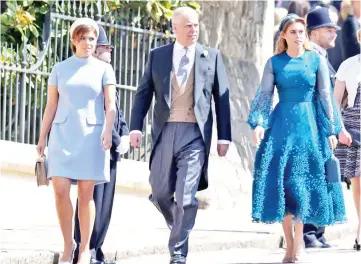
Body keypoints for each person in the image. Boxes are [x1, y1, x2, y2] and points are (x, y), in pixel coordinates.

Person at [129, 6, 231, 264]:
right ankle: (180, 225)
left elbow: (222, 99)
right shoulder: (158, 56)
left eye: (196, 25)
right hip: (165, 131)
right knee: (161, 193)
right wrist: (135, 126)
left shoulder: (212, 56)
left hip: (195, 134)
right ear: (174, 28)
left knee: (186, 195)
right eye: (188, 26)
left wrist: (224, 137)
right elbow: (143, 93)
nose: (193, 30)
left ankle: (178, 252)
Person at [248, 14, 346, 263]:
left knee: (302, 184)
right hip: (281, 127)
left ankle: (299, 240)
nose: (299, 36)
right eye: (293, 32)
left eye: (301, 31)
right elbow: (264, 94)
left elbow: (325, 97)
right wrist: (259, 123)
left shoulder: (316, 60)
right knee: (283, 184)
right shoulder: (274, 62)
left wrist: (332, 129)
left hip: (310, 128)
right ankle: (289, 241)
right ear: (284, 35)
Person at [36, 18, 116, 264]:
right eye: (83, 38)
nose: (89, 43)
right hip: (62, 136)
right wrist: (41, 139)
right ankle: (67, 244)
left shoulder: (104, 69)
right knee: (60, 191)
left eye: (92, 39)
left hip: (92, 137)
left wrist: (108, 131)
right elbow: (51, 106)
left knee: (85, 194)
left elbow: (110, 104)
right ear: (74, 41)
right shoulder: (60, 69)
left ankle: (84, 249)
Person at [72, 25, 129, 264]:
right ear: (94, 50)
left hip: (111, 150)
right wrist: (116, 140)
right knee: (91, 199)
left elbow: (117, 110)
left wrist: (123, 134)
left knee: (105, 204)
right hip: (97, 147)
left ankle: (97, 250)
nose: (109, 52)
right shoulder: (89, 75)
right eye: (106, 48)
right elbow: (97, 113)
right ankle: (84, 248)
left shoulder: (107, 73)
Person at [302, 6, 341, 249]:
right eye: (329, 30)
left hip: (325, 129)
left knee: (325, 178)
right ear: (314, 33)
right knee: (312, 178)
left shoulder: (321, 57)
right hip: (314, 128)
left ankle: (318, 230)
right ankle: (308, 233)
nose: (334, 33)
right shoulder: (311, 58)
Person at [334, 29, 361, 251]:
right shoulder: (348, 65)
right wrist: (338, 128)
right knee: (357, 183)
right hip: (354, 126)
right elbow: (334, 103)